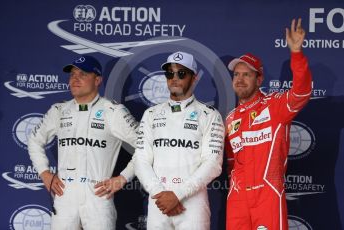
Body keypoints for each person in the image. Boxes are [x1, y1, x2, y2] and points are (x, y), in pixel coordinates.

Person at [28, 55, 138, 230]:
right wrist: (44, 173)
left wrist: (124, 177)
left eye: (83, 74)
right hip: (65, 195)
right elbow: (34, 141)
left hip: (98, 195)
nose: (75, 79)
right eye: (72, 74)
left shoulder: (113, 111)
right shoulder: (59, 110)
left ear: (98, 80)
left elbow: (144, 145)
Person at [225, 18, 312, 229]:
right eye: (236, 74)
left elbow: (302, 92)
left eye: (247, 75)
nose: (240, 79)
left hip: (268, 192)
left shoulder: (274, 105)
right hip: (237, 197)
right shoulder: (229, 118)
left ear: (260, 79)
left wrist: (296, 54)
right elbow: (231, 162)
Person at [133, 51, 225, 229]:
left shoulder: (209, 115)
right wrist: (160, 193)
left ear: (194, 78)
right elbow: (141, 160)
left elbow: (213, 163)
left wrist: (177, 194)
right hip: (158, 202)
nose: (174, 78)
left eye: (181, 73)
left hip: (193, 204)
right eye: (170, 73)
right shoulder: (151, 114)